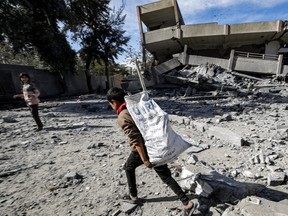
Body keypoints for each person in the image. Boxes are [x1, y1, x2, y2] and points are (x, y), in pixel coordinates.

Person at [107, 87, 198, 216]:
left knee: (129, 167)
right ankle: (186, 203)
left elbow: (136, 140)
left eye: (110, 104)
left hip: (143, 150)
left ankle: (134, 196)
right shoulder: (136, 107)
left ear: (113, 102)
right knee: (166, 176)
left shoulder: (123, 115)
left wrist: (145, 160)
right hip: (157, 146)